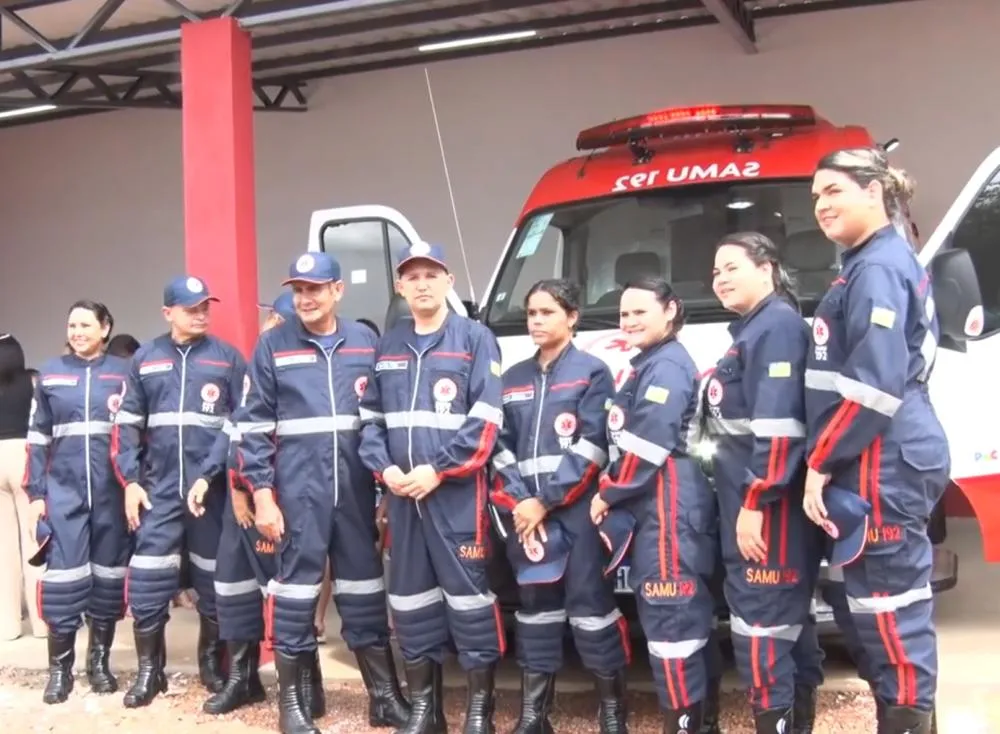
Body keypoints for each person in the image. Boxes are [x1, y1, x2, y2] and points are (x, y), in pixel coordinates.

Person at [803, 147, 947, 734]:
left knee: (891, 612)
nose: (821, 204)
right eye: (816, 196)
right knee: (871, 611)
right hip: (872, 455)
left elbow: (874, 386)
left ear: (873, 191)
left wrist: (820, 461)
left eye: (833, 190)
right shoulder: (868, 262)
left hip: (880, 457)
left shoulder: (878, 268)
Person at [239, 252, 409, 734]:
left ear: (337, 290)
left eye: (314, 288)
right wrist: (263, 496)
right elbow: (252, 429)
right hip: (299, 494)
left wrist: (384, 490)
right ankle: (292, 707)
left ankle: (384, 699)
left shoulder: (365, 341)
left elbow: (379, 421)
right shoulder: (272, 346)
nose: (305, 298)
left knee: (364, 591)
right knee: (295, 597)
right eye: (298, 290)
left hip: (355, 493)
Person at [359, 241, 505, 734]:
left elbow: (486, 419)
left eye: (431, 275)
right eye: (412, 276)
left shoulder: (475, 338)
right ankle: (427, 709)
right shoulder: (389, 344)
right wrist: (385, 470)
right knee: (410, 601)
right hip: (403, 498)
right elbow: (370, 419)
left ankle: (480, 712)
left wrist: (439, 470)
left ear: (449, 281)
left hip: (456, 497)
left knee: (470, 602)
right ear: (399, 286)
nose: (422, 284)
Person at [490, 278, 631, 734]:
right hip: (526, 516)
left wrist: (545, 501)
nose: (536, 321)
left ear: (572, 317)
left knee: (591, 607)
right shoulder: (511, 379)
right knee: (536, 610)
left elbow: (594, 446)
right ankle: (535, 716)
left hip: (577, 512)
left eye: (547, 312)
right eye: (531, 313)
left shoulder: (593, 372)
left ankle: (613, 713)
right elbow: (499, 448)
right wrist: (522, 501)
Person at [703, 233, 825, 732]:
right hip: (752, 504)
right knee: (785, 629)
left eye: (731, 267)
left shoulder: (776, 328)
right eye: (716, 272)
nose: (720, 279)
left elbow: (778, 430)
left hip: (768, 512)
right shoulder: (753, 330)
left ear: (767, 268)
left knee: (763, 632)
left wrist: (754, 501)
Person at [588, 276, 717, 734]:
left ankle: (683, 725)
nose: (629, 321)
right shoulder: (650, 363)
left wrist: (608, 492)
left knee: (671, 624)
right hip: (661, 502)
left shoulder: (666, 367)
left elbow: (647, 445)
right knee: (682, 621)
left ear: (671, 310)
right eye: (624, 314)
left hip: (667, 505)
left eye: (640, 312)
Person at [112, 275, 247, 708]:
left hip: (211, 492)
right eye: (191, 308)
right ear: (168, 313)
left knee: (213, 581)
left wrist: (211, 475)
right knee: (148, 581)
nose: (201, 314)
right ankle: (150, 673)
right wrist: (131, 481)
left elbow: (239, 424)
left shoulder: (227, 358)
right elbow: (126, 425)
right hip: (159, 491)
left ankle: (211, 663)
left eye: (205, 306)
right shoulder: (146, 358)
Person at [24, 301, 132, 703]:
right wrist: (37, 494)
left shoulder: (123, 374)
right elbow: (38, 440)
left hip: (111, 494)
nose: (78, 332)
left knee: (108, 579)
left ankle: (99, 663)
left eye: (86, 325)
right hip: (64, 494)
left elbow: (135, 436)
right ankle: (60, 671)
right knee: (62, 583)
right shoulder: (50, 373)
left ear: (105, 328)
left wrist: (134, 485)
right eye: (72, 325)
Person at [203, 290, 298, 717]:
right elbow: (236, 432)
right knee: (233, 588)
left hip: (276, 501)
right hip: (239, 503)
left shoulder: (294, 370)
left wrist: (251, 492)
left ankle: (303, 687)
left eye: (272, 319)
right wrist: (228, 485)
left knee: (286, 594)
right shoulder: (257, 365)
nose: (266, 325)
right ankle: (244, 679)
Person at [0, 333, 46, 641]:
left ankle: (7, 625)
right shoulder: (32, 382)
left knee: (3, 549)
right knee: (33, 543)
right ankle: (42, 623)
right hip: (24, 455)